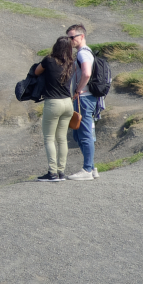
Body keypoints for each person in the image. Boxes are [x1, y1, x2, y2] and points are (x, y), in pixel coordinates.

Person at [27, 37, 79, 182]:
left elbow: (36, 72)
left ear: (56, 46)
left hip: (53, 103)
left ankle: (52, 173)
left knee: (49, 138)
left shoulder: (49, 60)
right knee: (62, 139)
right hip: (67, 103)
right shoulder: (71, 63)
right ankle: (61, 172)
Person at [66, 23, 100, 181]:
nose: (70, 40)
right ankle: (91, 168)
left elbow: (86, 73)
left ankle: (87, 169)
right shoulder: (86, 52)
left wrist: (78, 90)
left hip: (84, 98)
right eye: (69, 38)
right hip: (87, 97)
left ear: (82, 36)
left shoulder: (82, 54)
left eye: (73, 37)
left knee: (84, 133)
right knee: (79, 133)